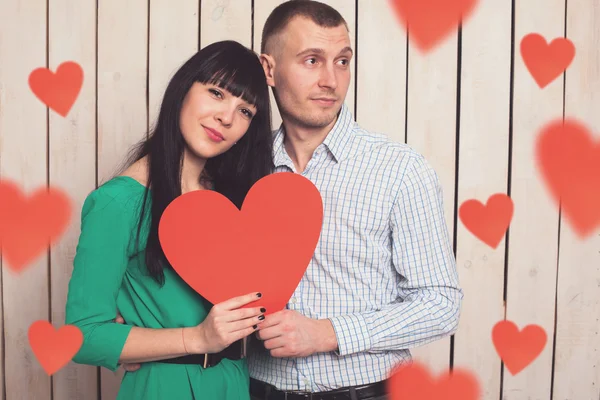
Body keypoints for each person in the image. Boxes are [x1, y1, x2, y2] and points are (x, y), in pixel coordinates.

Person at [124, 1, 463, 399]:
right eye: (311, 61)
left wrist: (328, 333)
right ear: (269, 69)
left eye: (342, 61)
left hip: (369, 391)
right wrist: (132, 325)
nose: (331, 81)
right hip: (257, 389)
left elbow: (441, 303)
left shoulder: (400, 170)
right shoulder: (235, 170)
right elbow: (179, 249)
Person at [64, 40, 275, 400]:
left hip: (235, 383)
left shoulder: (228, 199)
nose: (227, 117)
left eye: (245, 112)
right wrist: (197, 338)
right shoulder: (118, 202)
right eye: (216, 93)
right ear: (182, 89)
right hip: (165, 387)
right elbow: (81, 335)